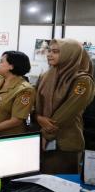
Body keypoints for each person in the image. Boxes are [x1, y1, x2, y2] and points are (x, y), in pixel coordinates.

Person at [35, 39, 95, 174]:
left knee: (62, 184)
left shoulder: (82, 80)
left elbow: (68, 112)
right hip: (41, 139)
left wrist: (45, 134)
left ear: (70, 54)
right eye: (49, 51)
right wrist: (38, 118)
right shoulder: (45, 76)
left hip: (66, 142)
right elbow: (36, 104)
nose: (49, 54)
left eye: (55, 52)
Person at [0, 51, 34, 136]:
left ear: (11, 66)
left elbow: (16, 120)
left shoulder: (25, 90)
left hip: (7, 137)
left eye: (1, 62)